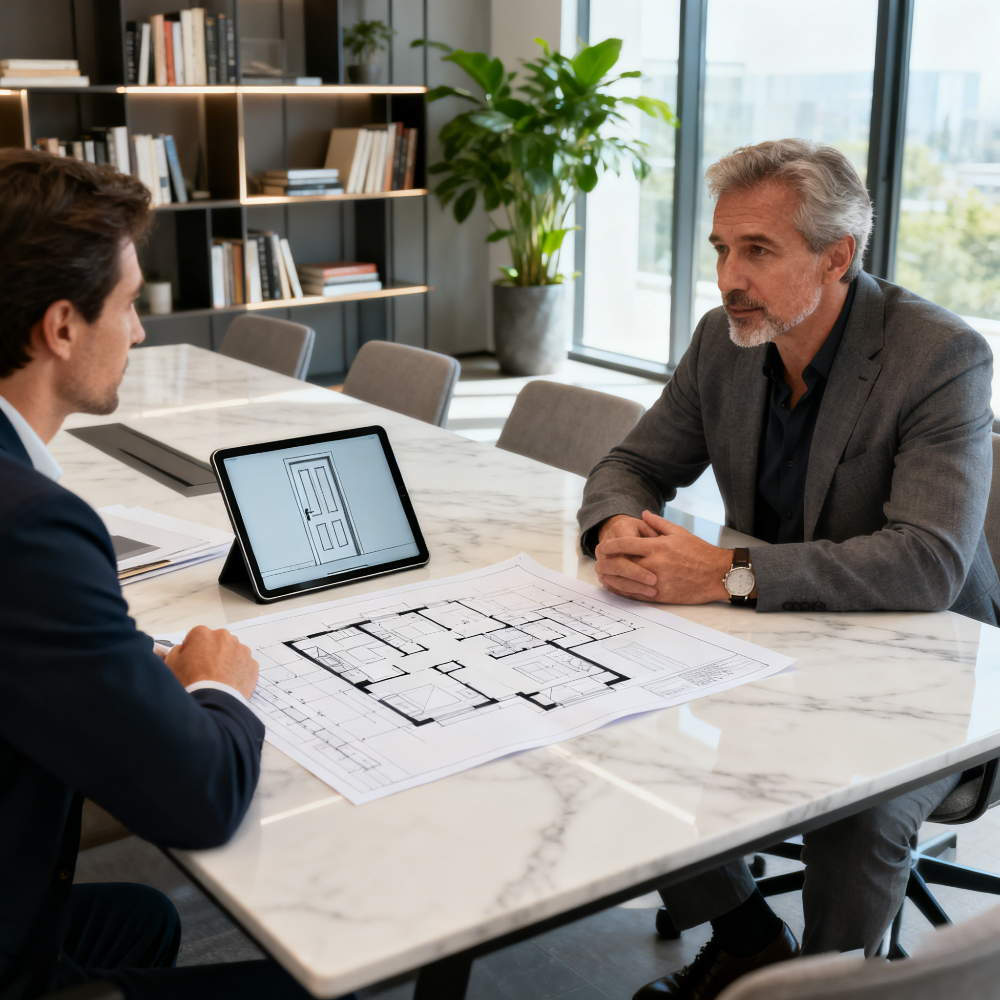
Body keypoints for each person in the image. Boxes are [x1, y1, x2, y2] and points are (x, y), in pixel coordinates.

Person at [577, 139, 1000, 999]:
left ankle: (824, 987)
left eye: (758, 251)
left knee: (859, 811)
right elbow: (630, 464)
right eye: (721, 249)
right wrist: (619, 526)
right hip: (782, 643)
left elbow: (927, 563)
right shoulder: (724, 340)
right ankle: (748, 942)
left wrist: (726, 574)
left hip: (931, 673)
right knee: (611, 712)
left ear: (837, 256)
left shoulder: (940, 356)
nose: (728, 277)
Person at [0, 149, 349, 1000]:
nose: (141, 331)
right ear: (61, 327)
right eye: (128, 306)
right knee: (322, 987)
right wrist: (216, 686)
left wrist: (110, 668)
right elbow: (201, 800)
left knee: (148, 920)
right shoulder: (31, 526)